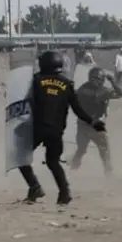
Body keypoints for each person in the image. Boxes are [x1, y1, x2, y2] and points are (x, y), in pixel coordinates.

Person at [19, 51, 105, 206]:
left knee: (20, 157)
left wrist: (19, 123)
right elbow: (77, 109)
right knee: (53, 162)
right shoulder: (67, 84)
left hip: (38, 128)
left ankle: (35, 187)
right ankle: (64, 193)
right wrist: (93, 122)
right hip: (56, 131)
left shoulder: (36, 81)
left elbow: (27, 104)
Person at [70, 66, 122, 175]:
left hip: (84, 123)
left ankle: (73, 169)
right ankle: (108, 172)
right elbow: (120, 93)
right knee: (102, 149)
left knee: (82, 150)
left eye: (97, 79)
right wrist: (112, 80)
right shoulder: (103, 91)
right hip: (93, 123)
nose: (95, 81)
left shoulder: (82, 89)